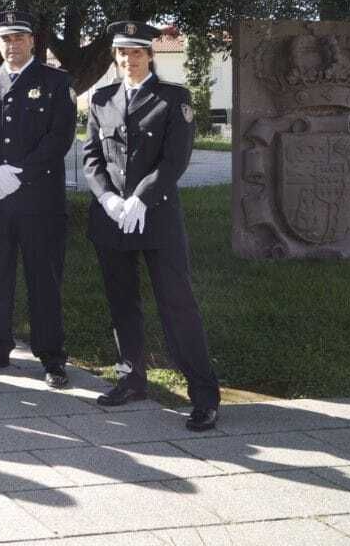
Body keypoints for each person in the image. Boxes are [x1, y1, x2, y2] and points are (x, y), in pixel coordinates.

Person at [83, 21, 220, 431]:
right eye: (122, 53)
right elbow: (92, 157)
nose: (129, 60)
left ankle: (204, 396)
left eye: (137, 53)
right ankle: (131, 378)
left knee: (177, 304)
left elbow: (174, 160)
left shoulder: (173, 99)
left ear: (149, 55)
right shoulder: (102, 99)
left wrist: (141, 198)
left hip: (155, 217)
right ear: (116, 57)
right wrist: (107, 198)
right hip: (112, 219)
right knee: (122, 302)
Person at [0, 9, 76, 388]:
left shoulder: (55, 82)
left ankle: (52, 358)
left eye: (19, 38)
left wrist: (21, 174)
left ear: (32, 41)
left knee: (43, 279)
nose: (12, 45)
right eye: (5, 39)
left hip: (39, 200)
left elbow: (59, 137)